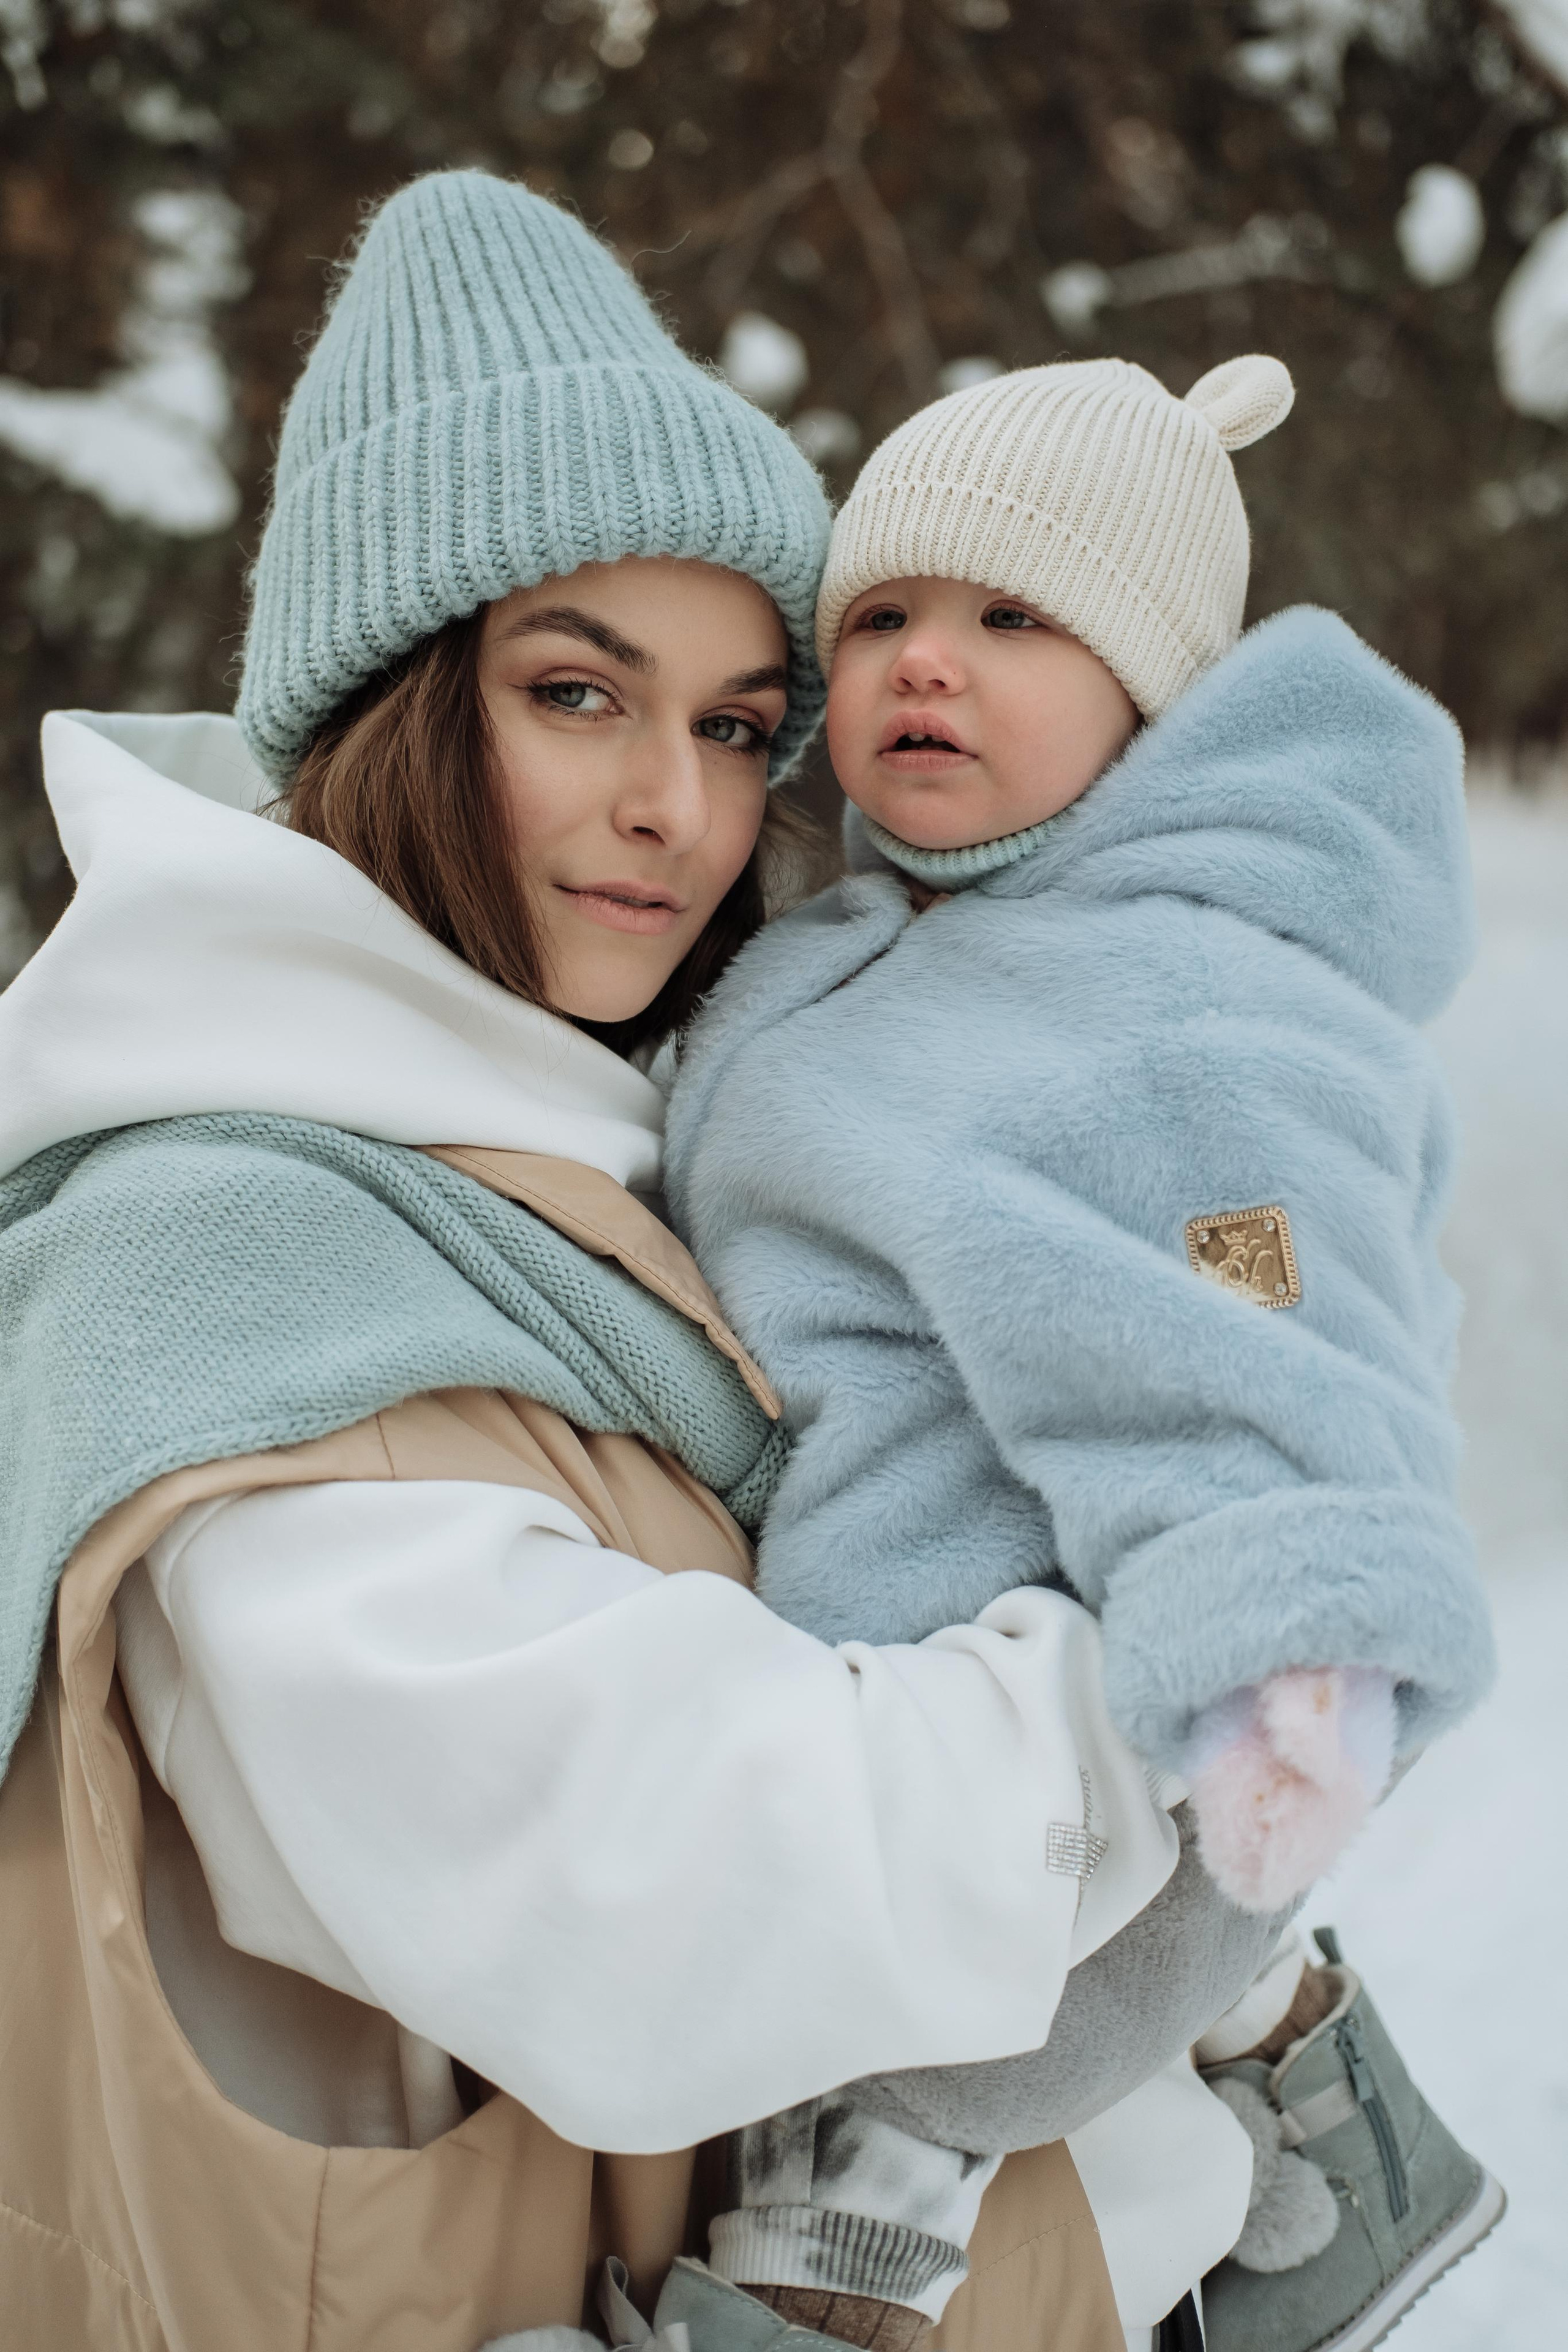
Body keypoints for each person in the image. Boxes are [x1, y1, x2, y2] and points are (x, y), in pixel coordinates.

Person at [0, 173, 1241, 2352]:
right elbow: (695, 1893)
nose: (683, 803)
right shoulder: (247, 1283)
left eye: (744, 724)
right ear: (395, 692)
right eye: (582, 693)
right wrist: (1220, 1631)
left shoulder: (575, 1169)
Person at [664, 356, 1506, 2349]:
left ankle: (822, 2309)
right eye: (882, 616)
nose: (926, 666)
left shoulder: (1186, 1005)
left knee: (872, 2120)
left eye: (1011, 619)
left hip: (1072, 1730)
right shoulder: (870, 935)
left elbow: (1264, 1325)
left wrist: (1289, 1657)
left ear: (1156, 692)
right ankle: (1321, 2110)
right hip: (889, 1646)